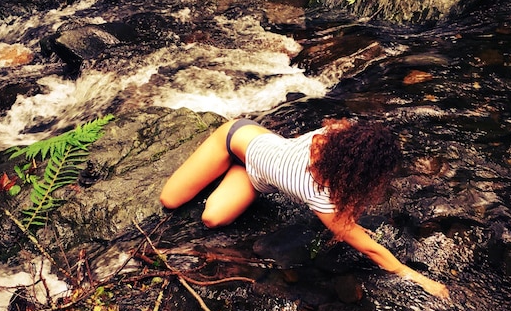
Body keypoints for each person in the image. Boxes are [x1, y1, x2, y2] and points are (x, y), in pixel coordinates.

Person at [160, 118, 450, 298]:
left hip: (254, 176)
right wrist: (417, 278)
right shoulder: (322, 184)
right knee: (169, 201)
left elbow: (348, 214)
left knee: (212, 218)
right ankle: (227, 157)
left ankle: (235, 168)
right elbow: (371, 250)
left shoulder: (333, 136)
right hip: (234, 139)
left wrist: (350, 223)